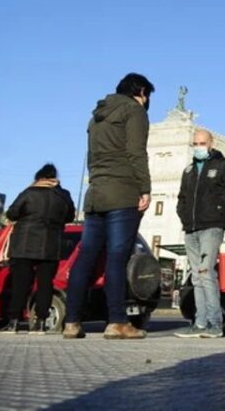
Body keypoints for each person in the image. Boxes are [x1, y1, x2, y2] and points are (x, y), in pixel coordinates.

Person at [64, 73, 154, 340]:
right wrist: (145, 188)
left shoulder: (96, 117)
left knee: (86, 256)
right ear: (140, 91)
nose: (147, 101)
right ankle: (116, 321)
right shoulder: (134, 111)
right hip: (122, 191)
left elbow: (91, 157)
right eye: (147, 95)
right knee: (117, 257)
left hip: (96, 193)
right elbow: (137, 152)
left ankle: (71, 322)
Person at [174, 129, 225, 339]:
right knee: (196, 277)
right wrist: (184, 216)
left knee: (206, 273)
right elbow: (182, 197)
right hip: (191, 228)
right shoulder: (188, 170)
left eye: (202, 143)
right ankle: (200, 323)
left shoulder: (224, 166)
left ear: (211, 144)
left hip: (212, 226)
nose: (198, 147)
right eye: (195, 143)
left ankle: (215, 323)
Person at [1, 164, 75, 335]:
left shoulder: (29, 192)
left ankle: (13, 323)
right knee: (45, 285)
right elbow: (70, 216)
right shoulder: (63, 195)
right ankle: (40, 323)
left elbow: (12, 213)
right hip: (51, 245)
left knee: (20, 285)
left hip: (23, 245)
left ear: (38, 177)